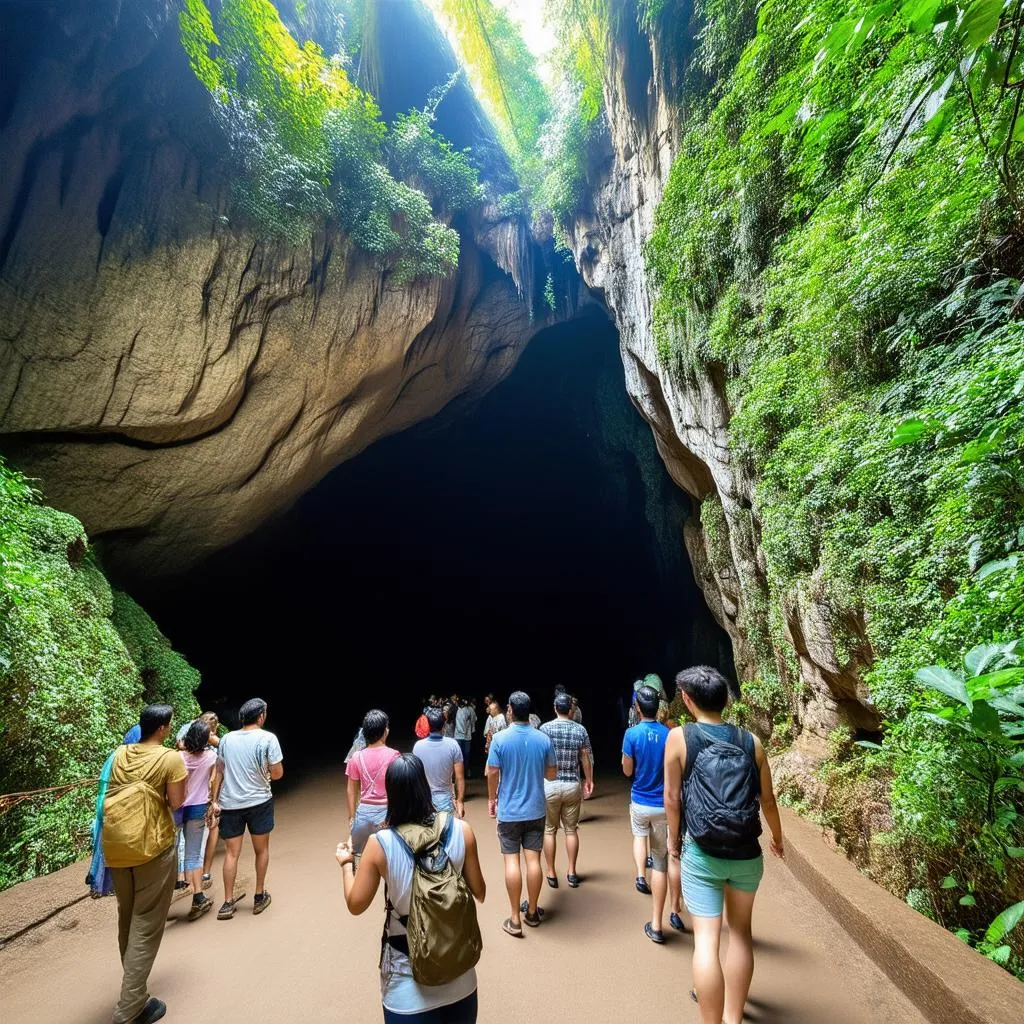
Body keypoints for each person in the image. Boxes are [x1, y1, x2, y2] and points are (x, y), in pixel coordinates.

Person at [665, 666, 784, 1024]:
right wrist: (778, 839)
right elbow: (768, 800)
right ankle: (733, 1018)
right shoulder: (752, 741)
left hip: (702, 851)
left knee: (706, 942)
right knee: (742, 935)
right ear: (726, 700)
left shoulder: (681, 738)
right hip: (747, 853)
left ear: (687, 700)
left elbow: (672, 798)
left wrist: (674, 842)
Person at [336, 754, 486, 1023]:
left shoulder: (380, 844)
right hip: (461, 977)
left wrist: (346, 864)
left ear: (391, 793)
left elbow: (355, 904)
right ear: (424, 787)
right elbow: (480, 892)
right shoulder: (462, 831)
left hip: (407, 985)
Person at [104, 704, 187, 1024]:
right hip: (152, 846)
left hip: (116, 846)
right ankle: (131, 1007)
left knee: (128, 915)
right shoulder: (169, 758)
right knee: (146, 923)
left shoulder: (119, 754)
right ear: (163, 729)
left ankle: (133, 988)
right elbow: (176, 802)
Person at [486, 691, 556, 937]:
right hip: (535, 809)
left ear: (510, 711)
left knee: (512, 862)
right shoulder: (543, 739)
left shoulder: (500, 739)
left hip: (510, 810)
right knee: (534, 861)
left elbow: (492, 773)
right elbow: (551, 774)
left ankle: (515, 919)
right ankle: (533, 912)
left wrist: (491, 799)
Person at [210, 697, 283, 920]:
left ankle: (227, 902)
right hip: (259, 801)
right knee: (261, 850)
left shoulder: (226, 740)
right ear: (261, 716)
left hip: (230, 803)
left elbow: (219, 772)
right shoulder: (268, 739)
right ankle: (259, 896)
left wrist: (214, 801)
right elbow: (277, 773)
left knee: (232, 853)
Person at [622, 685, 671, 944]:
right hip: (663, 804)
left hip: (640, 800)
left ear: (637, 708)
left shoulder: (631, 734)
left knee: (639, 836)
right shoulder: (669, 734)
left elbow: (627, 771)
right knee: (661, 859)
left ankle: (641, 875)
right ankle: (662, 916)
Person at [539, 690, 594, 888]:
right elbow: (585, 757)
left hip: (550, 784)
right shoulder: (580, 730)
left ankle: (552, 872)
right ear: (570, 710)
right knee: (571, 830)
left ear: (555, 708)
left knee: (549, 831)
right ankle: (572, 872)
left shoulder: (544, 729)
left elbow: (540, 757)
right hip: (572, 784)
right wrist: (589, 779)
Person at [346, 709, 400, 859]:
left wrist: (352, 818)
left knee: (363, 865)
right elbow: (399, 789)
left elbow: (351, 790)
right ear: (384, 731)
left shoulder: (356, 757)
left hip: (363, 815)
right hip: (387, 815)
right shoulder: (394, 756)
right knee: (391, 864)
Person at [180, 719, 217, 921]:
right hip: (198, 808)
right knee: (195, 854)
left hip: (177, 809)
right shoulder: (211, 757)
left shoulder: (178, 757)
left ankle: (189, 888)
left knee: (184, 852)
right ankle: (198, 895)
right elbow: (213, 781)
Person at [412, 706, 465, 816]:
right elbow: (459, 778)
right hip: (445, 800)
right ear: (444, 724)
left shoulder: (418, 747)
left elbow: (414, 778)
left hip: (424, 800)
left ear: (428, 725)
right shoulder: (453, 745)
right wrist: (460, 801)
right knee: (445, 832)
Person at [454, 699, 477, 778]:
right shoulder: (455, 709)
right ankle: (458, 773)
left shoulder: (470, 709)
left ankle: (466, 772)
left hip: (467, 736)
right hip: (457, 736)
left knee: (466, 755)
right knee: (458, 755)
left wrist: (470, 722)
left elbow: (474, 719)